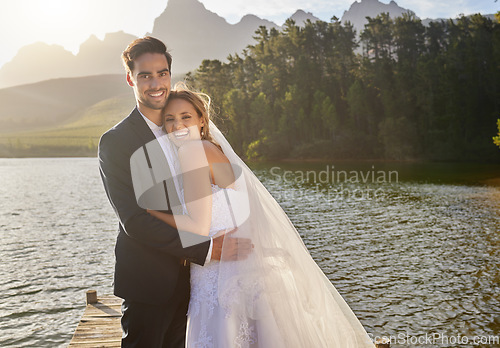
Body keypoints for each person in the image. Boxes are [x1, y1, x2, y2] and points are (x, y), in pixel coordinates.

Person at [146, 83, 375, 347]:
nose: (178, 126)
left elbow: (198, 225)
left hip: (219, 270)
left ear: (201, 119)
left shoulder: (193, 153)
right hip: (232, 264)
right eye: (170, 119)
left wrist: (153, 213)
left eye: (186, 117)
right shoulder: (210, 149)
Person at [98, 36, 253, 348]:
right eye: (145, 75)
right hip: (149, 282)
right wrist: (208, 250)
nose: (156, 83)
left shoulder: (183, 131)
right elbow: (135, 220)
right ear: (130, 78)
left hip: (194, 284)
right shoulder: (116, 142)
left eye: (162, 73)